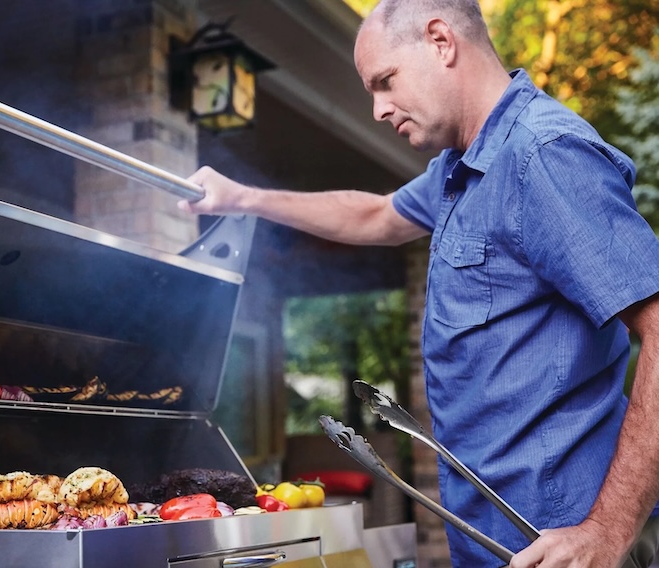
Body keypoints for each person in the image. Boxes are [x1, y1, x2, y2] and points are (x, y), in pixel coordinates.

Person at [178, 0, 659, 566]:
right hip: (496, 540)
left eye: (385, 81)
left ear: (441, 41)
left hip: (567, 542)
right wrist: (243, 198)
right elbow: (376, 216)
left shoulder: (542, 156)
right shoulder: (463, 167)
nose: (378, 109)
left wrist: (607, 531)